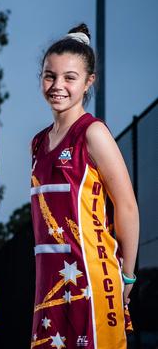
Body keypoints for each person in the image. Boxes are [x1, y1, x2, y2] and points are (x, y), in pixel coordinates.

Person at [29, 23, 138, 349]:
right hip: (51, 281)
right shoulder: (37, 143)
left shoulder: (93, 133)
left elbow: (127, 206)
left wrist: (127, 276)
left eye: (69, 78)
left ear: (89, 82)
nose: (57, 85)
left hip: (91, 276)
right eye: (50, 75)